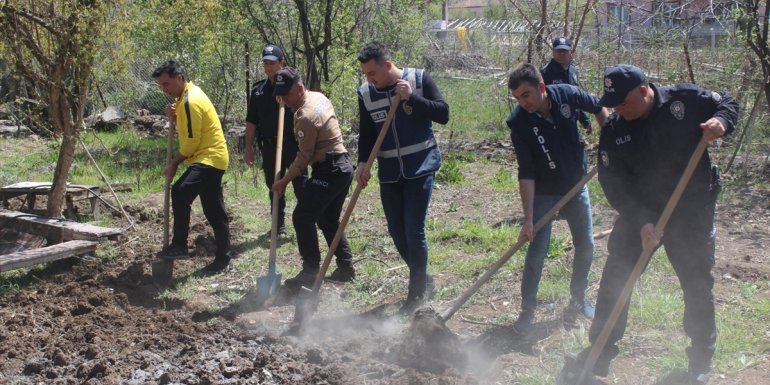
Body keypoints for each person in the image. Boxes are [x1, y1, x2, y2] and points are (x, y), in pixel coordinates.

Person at [558, 65, 738, 385]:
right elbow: (614, 184)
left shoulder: (683, 101)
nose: (618, 109)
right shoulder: (614, 129)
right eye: (612, 104)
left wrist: (721, 121)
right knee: (616, 277)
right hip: (641, 210)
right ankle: (599, 352)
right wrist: (641, 221)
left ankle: (699, 362)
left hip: (691, 209)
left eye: (623, 102)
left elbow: (727, 102)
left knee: (696, 282)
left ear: (644, 90)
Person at [505, 63, 608, 334]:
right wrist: (528, 219)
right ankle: (527, 310)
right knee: (537, 251)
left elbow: (598, 107)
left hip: (576, 185)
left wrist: (609, 141)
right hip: (544, 192)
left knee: (586, 245)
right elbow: (526, 172)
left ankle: (578, 299)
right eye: (517, 98)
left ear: (541, 87)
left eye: (526, 95)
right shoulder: (519, 122)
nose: (522, 102)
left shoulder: (568, 94)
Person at [356, 41, 450, 314]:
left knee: (413, 229)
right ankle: (424, 279)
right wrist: (362, 163)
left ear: (387, 65)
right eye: (365, 74)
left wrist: (412, 98)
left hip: (420, 166)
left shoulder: (419, 79)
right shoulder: (366, 93)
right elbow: (367, 133)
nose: (369, 79)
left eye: (372, 73)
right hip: (389, 173)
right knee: (396, 230)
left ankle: (416, 294)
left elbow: (443, 113)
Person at [271, 67, 356, 286]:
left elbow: (304, 157)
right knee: (327, 219)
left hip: (330, 169)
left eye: (286, 94)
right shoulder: (318, 97)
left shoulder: (305, 117)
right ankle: (345, 267)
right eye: (279, 95)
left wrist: (283, 181)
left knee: (302, 216)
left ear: (299, 89)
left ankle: (310, 271)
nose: (283, 100)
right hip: (343, 166)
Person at [152, 60, 233, 273]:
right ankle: (223, 258)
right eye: (161, 85)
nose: (164, 90)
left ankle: (179, 245)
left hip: (208, 158)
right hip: (212, 158)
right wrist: (174, 113)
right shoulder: (185, 97)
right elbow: (188, 123)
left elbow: (190, 143)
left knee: (180, 192)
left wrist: (174, 163)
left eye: (167, 84)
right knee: (214, 211)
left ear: (180, 78)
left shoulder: (190, 101)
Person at [244, 44, 308, 236]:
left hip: (293, 144)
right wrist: (248, 148)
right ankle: (278, 224)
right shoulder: (258, 91)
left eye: (272, 63)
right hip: (270, 145)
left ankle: (306, 222)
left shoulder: (294, 87)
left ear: (281, 63)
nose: (269, 67)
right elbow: (251, 121)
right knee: (274, 186)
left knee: (301, 184)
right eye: (265, 63)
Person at [541, 37, 593, 134]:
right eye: (558, 50)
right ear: (553, 52)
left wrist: (585, 120)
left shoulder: (573, 71)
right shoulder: (545, 73)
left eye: (564, 51)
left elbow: (577, 97)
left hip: (572, 122)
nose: (561, 53)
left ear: (571, 52)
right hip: (554, 124)